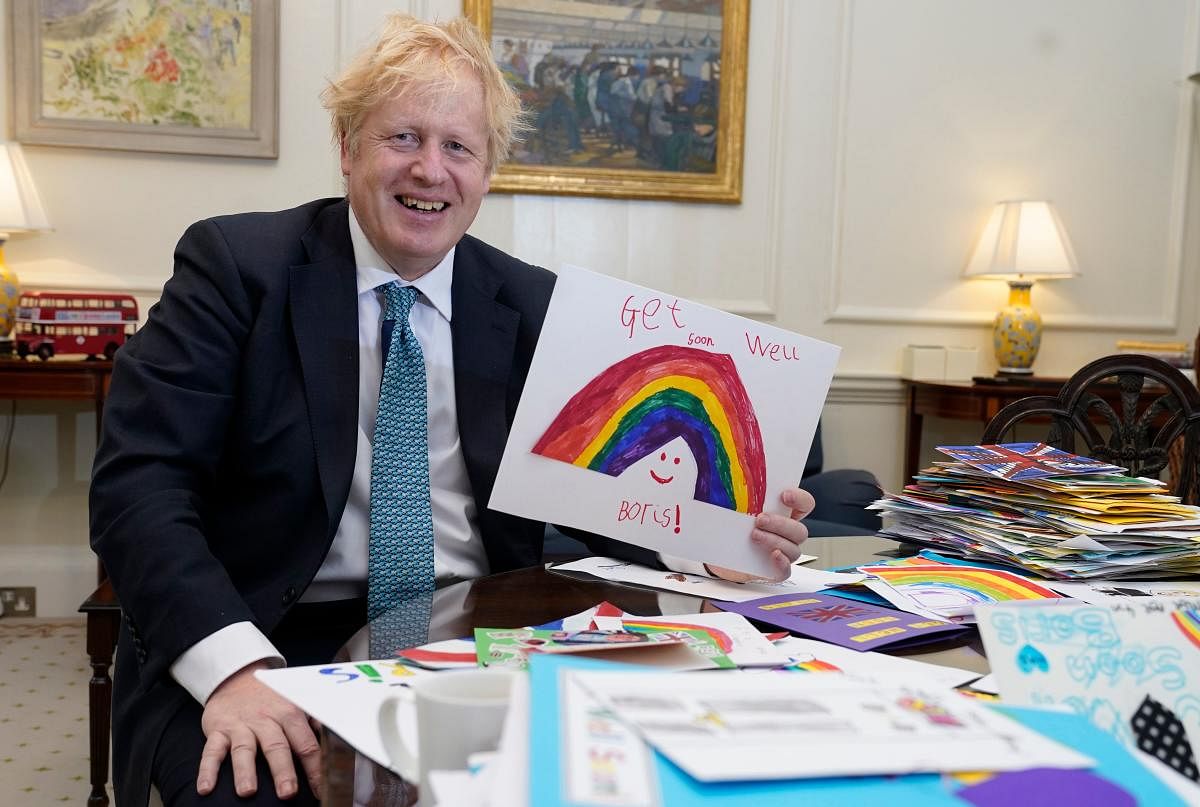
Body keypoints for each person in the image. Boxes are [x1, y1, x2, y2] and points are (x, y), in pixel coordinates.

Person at [89, 15, 815, 807]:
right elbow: (139, 488)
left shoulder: (533, 305)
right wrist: (231, 665)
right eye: (402, 136)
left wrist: (712, 538)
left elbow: (602, 493)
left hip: (485, 634)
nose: (430, 170)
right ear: (347, 147)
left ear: (487, 170)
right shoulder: (236, 269)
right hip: (266, 635)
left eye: (458, 148)